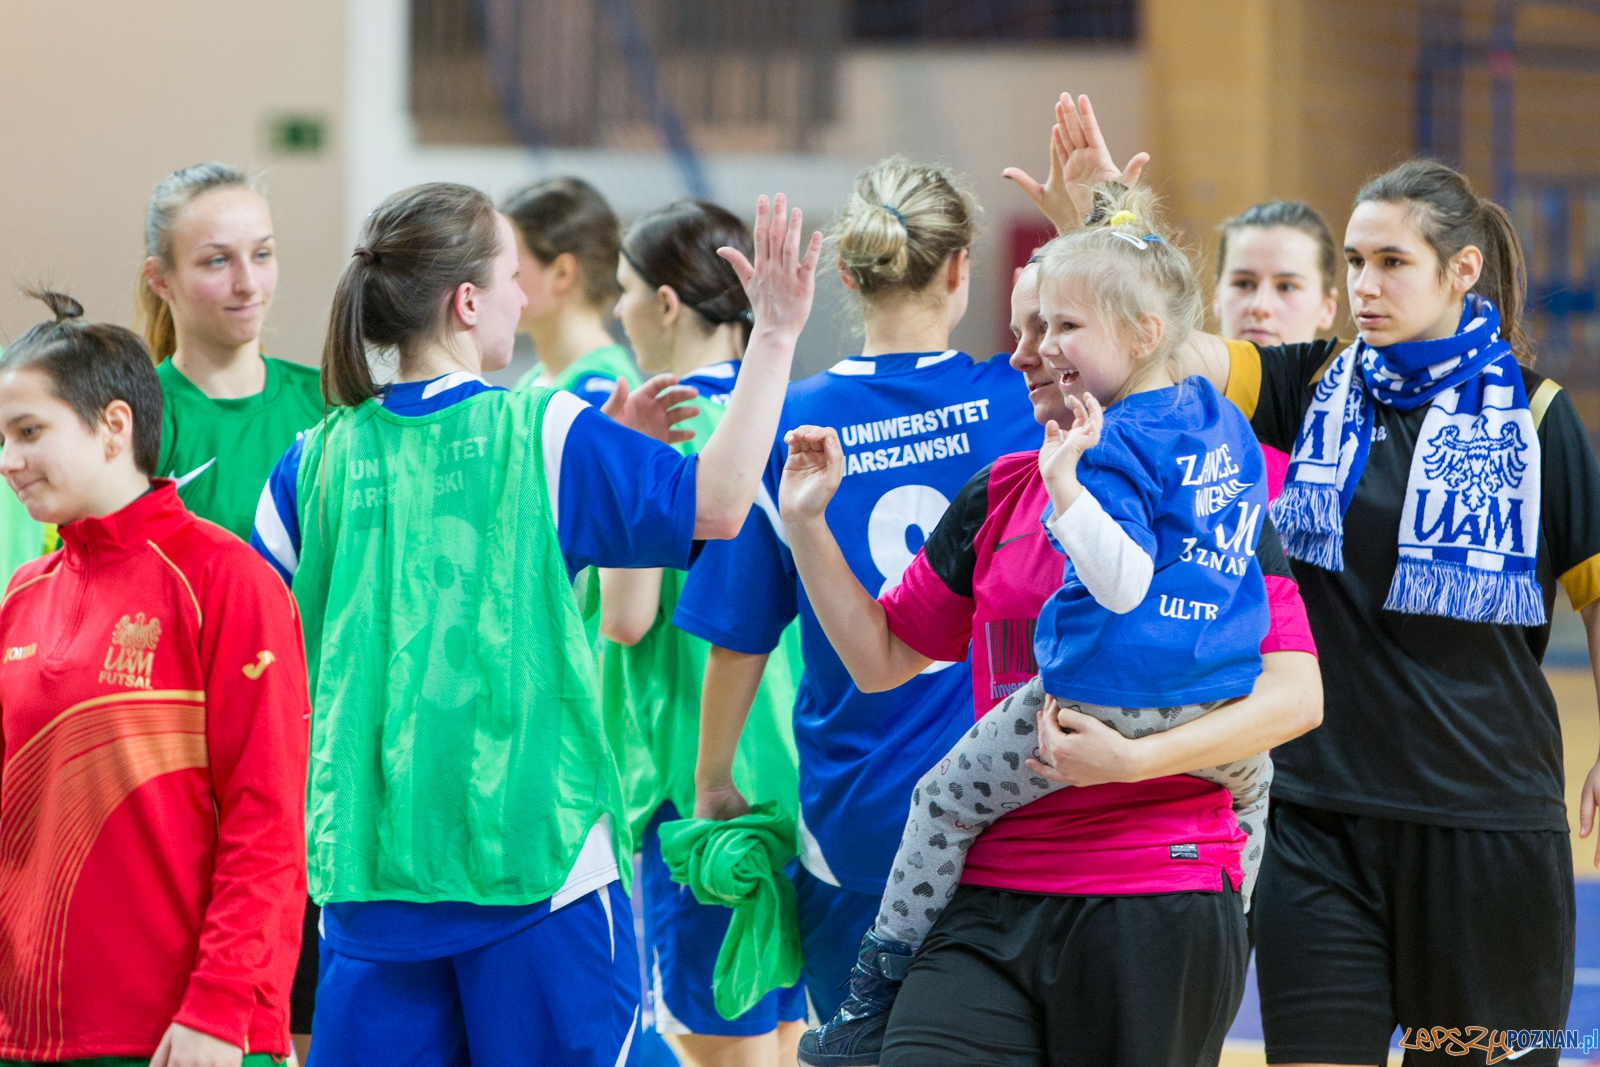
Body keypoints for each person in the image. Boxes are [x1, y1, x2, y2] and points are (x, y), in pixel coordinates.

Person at [249, 182, 820, 1066]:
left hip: (364, 879)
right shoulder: (543, 431)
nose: (521, 296)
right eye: (509, 276)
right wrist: (776, 335)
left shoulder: (309, 461)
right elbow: (717, 502)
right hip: (535, 872)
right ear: (466, 301)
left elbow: (258, 657)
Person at [790, 184, 1319, 1067]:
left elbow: (1297, 693)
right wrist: (808, 524)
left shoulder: (1210, 478)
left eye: (1053, 328)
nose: (1029, 353)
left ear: (1128, 335)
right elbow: (880, 658)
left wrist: (1135, 760)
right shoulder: (1001, 490)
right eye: (1024, 329)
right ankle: (875, 998)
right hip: (992, 889)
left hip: (1155, 886)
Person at [1173, 158, 1600, 1064]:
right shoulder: (1311, 384)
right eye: (1355, 261)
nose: (1364, 284)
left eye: (1391, 262)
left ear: (1461, 271)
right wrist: (1114, 218)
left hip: (1490, 835)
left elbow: (1597, 592)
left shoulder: (1539, 416)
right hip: (1319, 828)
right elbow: (1172, 355)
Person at [673, 157, 1042, 1020]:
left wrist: (713, 782)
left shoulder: (785, 426)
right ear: (960, 270)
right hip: (1004, 801)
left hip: (854, 816)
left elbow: (741, 636)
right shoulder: (1016, 404)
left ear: (846, 273)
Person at [0, 291, 310, 1067]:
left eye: (30, 431)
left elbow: (268, 822)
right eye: (3, 436)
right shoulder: (22, 597)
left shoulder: (227, 580)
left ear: (114, 426)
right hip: (27, 1032)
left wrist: (220, 1005)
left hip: (183, 1034)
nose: (8, 459)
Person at [601, 200, 807, 1067]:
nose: (617, 312)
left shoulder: (658, 430)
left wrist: (614, 473)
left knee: (719, 1047)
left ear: (668, 306)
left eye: (624, 291)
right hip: (806, 777)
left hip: (701, 789)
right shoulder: (799, 415)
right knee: (792, 1040)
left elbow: (626, 616)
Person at [139, 163, 325, 543]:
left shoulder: (328, 404)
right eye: (218, 261)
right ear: (160, 279)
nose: (248, 284)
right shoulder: (137, 419)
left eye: (261, 254)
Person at [1213, 200, 1341, 497]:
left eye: (1286, 287)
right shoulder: (1168, 406)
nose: (1261, 306)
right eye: (1244, 283)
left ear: (1328, 307)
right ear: (1217, 296)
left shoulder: (1352, 428)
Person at [504, 176, 642, 402]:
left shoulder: (603, 394)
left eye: (511, 264)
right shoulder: (533, 382)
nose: (495, 279)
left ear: (562, 274)